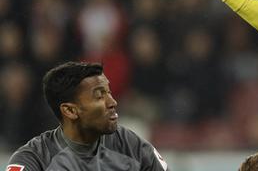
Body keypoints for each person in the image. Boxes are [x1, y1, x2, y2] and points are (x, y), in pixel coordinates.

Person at [5, 62, 169, 171]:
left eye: (109, 92)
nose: (112, 102)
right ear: (70, 111)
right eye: (99, 96)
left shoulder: (128, 145)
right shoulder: (35, 159)